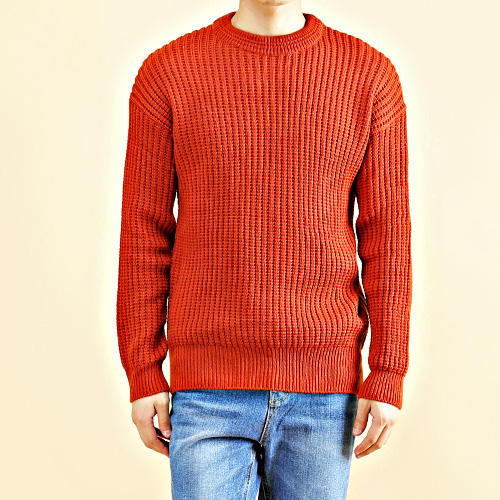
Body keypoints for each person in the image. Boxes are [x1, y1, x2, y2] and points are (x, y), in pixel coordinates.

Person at [116, 0, 412, 498]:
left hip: (324, 391)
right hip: (206, 392)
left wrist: (388, 370)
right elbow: (144, 233)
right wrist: (143, 370)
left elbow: (388, 237)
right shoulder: (167, 74)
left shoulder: (370, 76)